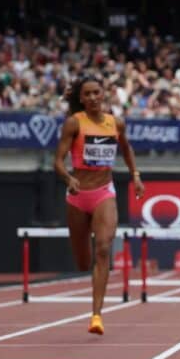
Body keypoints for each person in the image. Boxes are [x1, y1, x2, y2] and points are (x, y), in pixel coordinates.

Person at [53, 77, 144, 335]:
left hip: (104, 193)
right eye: (88, 94)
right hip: (78, 195)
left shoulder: (115, 123)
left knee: (103, 248)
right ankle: (91, 287)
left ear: (103, 95)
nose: (93, 97)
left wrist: (135, 175)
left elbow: (126, 150)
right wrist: (68, 177)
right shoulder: (74, 123)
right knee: (83, 262)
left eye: (96, 92)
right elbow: (58, 161)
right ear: (81, 98)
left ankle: (96, 316)